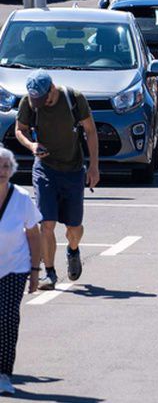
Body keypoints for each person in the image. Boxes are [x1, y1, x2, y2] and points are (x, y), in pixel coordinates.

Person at [14, 70, 100, 290]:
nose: (40, 104)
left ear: (52, 88)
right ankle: (49, 273)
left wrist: (93, 166)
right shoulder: (30, 103)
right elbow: (19, 130)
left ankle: (73, 250)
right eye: (36, 100)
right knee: (46, 223)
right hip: (45, 169)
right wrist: (31, 145)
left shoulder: (74, 98)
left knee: (74, 227)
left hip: (72, 169)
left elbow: (90, 131)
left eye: (43, 99)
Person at [0, 147, 42, 396]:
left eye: (6, 167)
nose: (2, 171)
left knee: (6, 318)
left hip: (15, 268)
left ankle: (3, 373)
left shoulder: (22, 198)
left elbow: (34, 235)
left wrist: (36, 271)